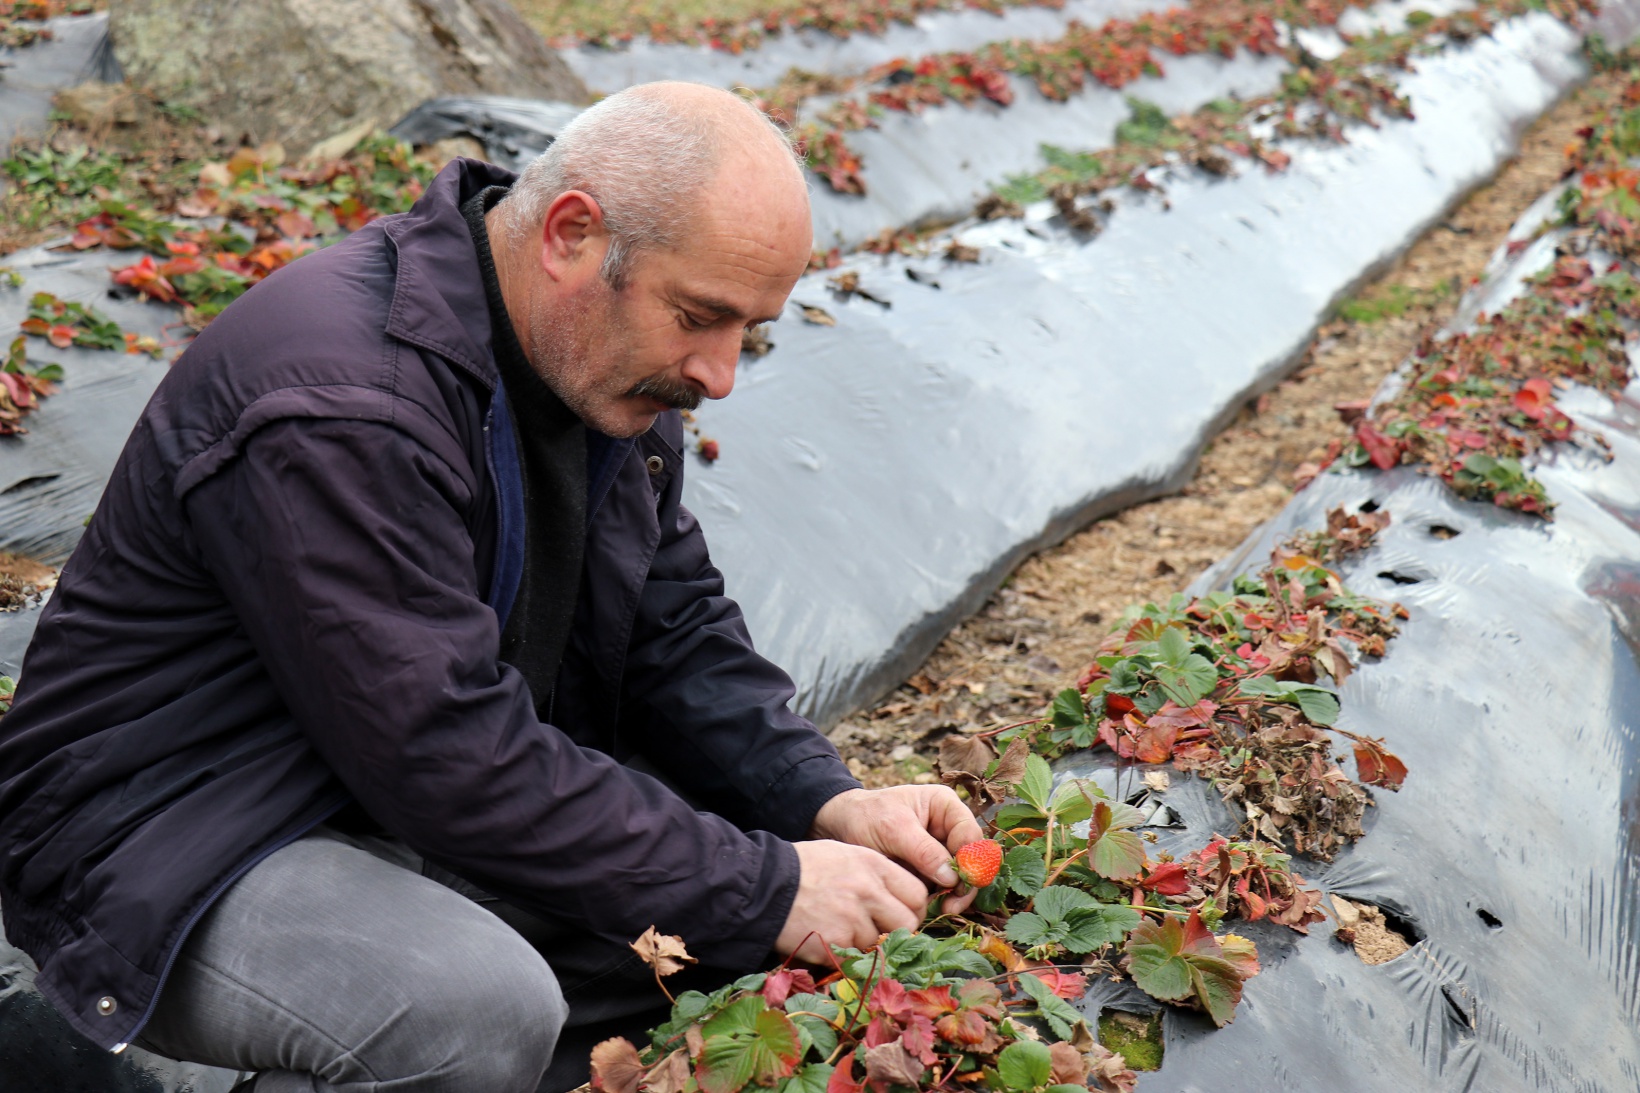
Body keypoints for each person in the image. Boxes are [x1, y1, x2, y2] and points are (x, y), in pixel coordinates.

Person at [0, 81, 983, 1093]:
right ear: (569, 234)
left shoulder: (599, 367)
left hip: (374, 792)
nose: (721, 371)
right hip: (170, 830)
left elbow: (675, 629)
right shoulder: (343, 404)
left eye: (749, 329)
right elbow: (442, 752)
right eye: (701, 316)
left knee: (695, 940)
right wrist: (767, 882)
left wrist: (824, 804)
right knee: (471, 1007)